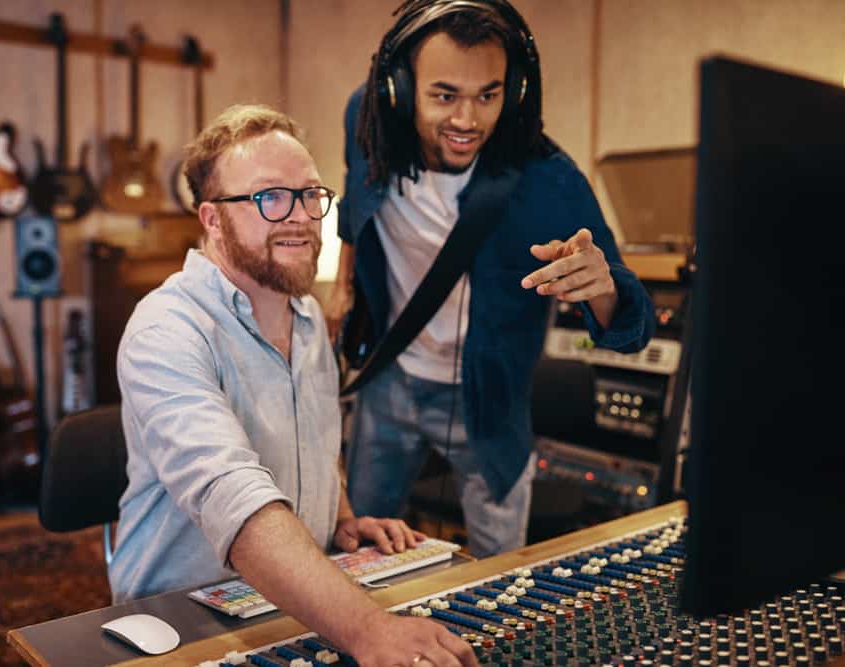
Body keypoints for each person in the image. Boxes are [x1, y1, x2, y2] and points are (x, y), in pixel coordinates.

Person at [110, 104, 478, 667]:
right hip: (181, 626)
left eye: (309, 195)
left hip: (291, 606)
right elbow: (233, 499)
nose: (302, 217)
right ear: (212, 219)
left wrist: (342, 518)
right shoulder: (166, 329)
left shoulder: (305, 318)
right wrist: (367, 629)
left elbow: (317, 448)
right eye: (271, 198)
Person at [327, 0, 657, 558]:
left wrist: (603, 287)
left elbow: (634, 326)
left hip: (489, 399)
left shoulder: (549, 180)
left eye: (488, 95)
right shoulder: (369, 119)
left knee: (497, 572)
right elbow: (353, 200)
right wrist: (344, 284)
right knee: (358, 550)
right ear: (400, 89)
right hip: (390, 380)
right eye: (444, 95)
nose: (468, 120)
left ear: (516, 90)